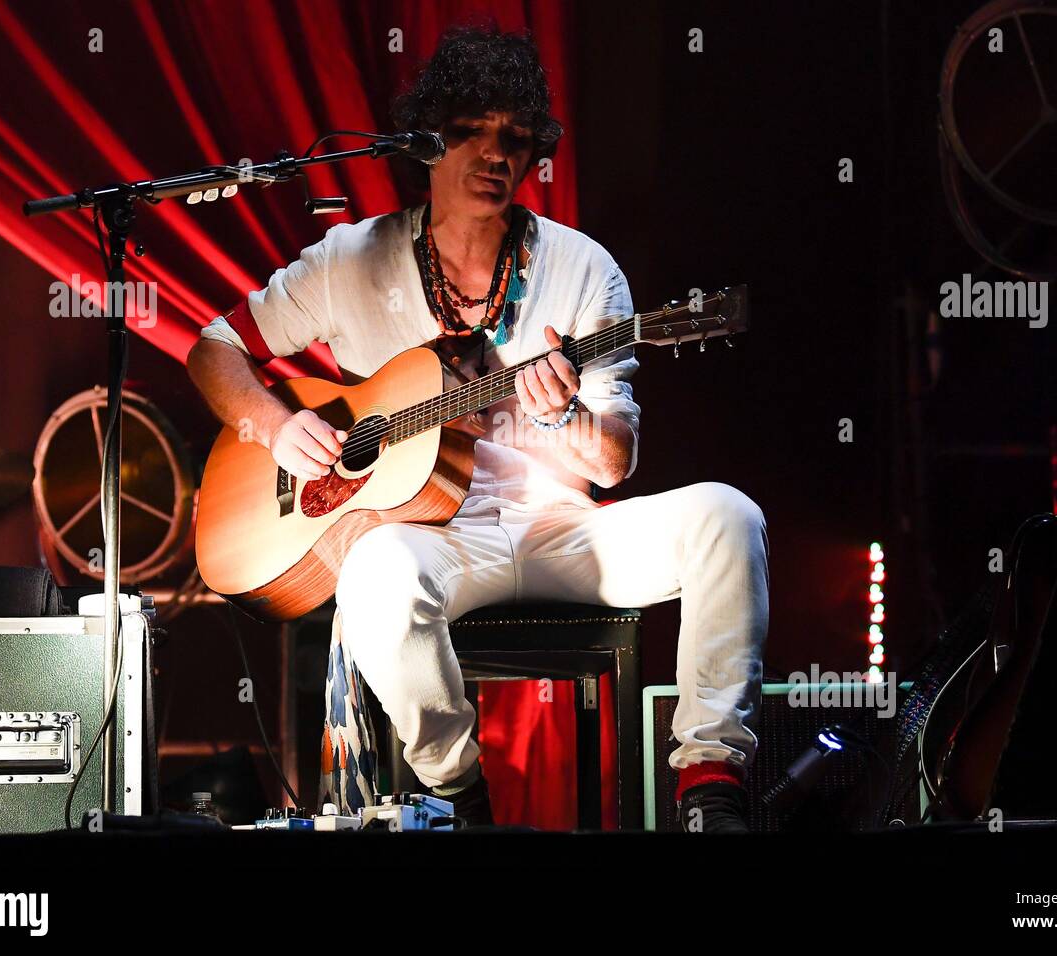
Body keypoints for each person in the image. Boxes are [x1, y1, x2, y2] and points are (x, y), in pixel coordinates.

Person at [187, 25, 768, 832]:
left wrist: (562, 414)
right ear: (427, 142)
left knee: (728, 516)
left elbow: (614, 464)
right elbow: (214, 350)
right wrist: (276, 425)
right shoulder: (349, 259)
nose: (497, 156)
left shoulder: (584, 269)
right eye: (473, 133)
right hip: (436, 539)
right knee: (375, 571)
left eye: (516, 140)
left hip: (561, 531)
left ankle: (709, 785)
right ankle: (461, 798)